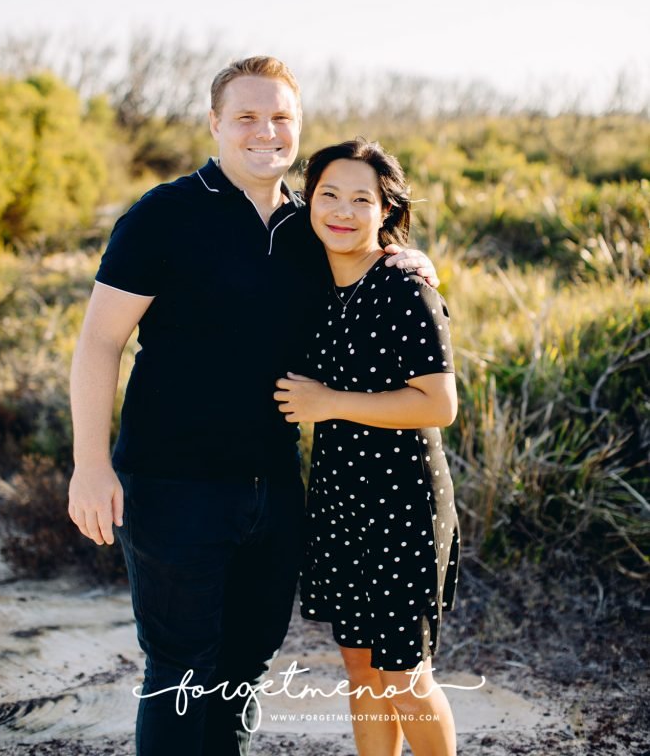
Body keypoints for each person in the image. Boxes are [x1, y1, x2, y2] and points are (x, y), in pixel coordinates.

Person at [67, 57, 438, 756]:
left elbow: (369, 253)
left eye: (280, 118)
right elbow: (98, 344)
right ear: (215, 124)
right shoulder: (164, 216)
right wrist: (90, 465)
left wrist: (407, 259)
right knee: (181, 672)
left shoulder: (310, 228)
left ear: (296, 127)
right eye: (246, 117)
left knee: (244, 672)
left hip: (275, 489)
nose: (265, 131)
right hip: (173, 484)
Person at [275, 139, 459, 756]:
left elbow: (439, 404)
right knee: (361, 672)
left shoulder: (405, 287)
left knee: (406, 680)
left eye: (362, 199)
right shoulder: (312, 281)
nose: (343, 211)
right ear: (309, 203)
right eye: (328, 194)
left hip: (402, 507)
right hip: (340, 503)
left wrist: (327, 402)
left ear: (386, 210)